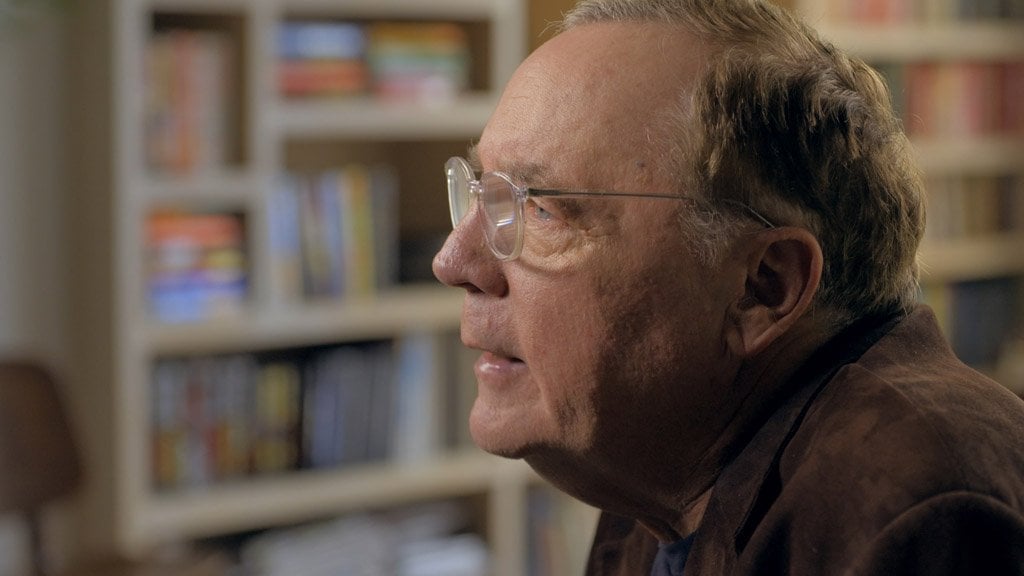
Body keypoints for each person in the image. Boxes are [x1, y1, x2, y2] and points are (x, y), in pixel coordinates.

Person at [432, 0, 1024, 573]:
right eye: (484, 193)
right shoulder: (655, 464)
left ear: (761, 289)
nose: (453, 262)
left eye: (540, 210)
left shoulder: (915, 509)